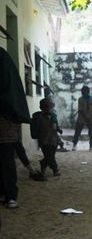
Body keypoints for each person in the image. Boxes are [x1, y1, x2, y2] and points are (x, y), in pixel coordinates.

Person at [1, 47, 31, 209]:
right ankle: (7, 194)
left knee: (6, 157)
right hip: (7, 116)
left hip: (5, 117)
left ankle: (10, 195)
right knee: (6, 158)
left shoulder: (2, 57)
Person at [34, 98, 61, 177]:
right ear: (42, 107)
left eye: (49, 106)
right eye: (46, 106)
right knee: (50, 155)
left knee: (50, 155)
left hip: (53, 139)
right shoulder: (38, 117)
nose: (48, 108)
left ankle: (43, 163)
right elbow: (37, 129)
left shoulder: (53, 115)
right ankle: (55, 170)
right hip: (44, 140)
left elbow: (55, 126)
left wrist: (59, 130)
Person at [72, 85, 92, 151]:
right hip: (81, 118)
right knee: (77, 132)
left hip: (90, 117)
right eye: (82, 92)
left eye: (84, 92)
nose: (83, 93)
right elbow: (80, 110)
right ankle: (74, 144)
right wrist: (86, 118)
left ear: (88, 92)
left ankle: (91, 145)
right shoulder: (80, 99)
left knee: (91, 132)